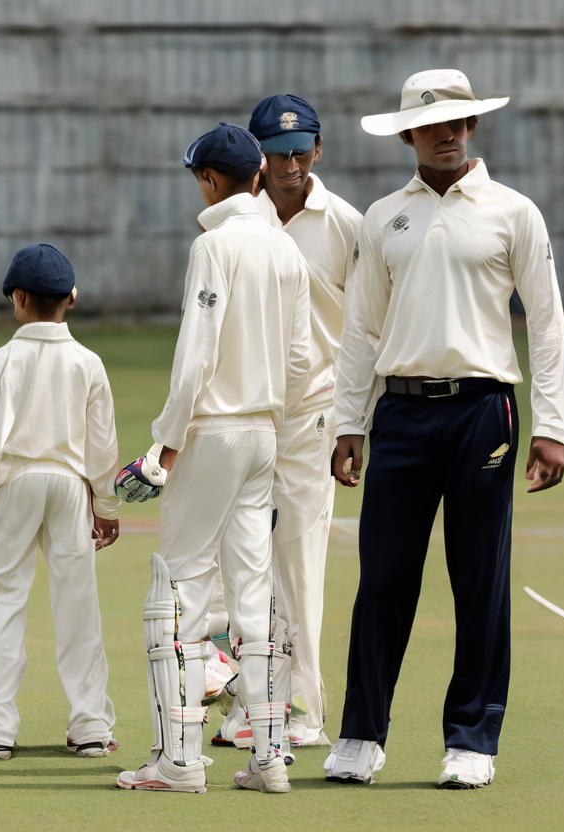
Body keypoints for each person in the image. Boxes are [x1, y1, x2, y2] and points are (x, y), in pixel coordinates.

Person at [325, 69, 564, 789]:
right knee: (383, 579)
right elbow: (361, 330)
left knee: (479, 578)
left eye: (460, 123)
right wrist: (350, 421)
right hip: (400, 413)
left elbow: (548, 325)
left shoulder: (512, 212)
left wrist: (553, 425)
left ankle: (472, 739)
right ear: (407, 133)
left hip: (483, 412)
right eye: (433, 125)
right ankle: (361, 735)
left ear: (473, 127)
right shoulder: (382, 218)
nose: (448, 134)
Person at [115, 123, 311, 794]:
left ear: (206, 179)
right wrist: (270, 420)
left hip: (215, 434)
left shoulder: (214, 245)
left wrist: (162, 450)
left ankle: (179, 761)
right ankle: (268, 758)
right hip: (264, 433)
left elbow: (197, 355)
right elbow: (300, 357)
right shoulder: (284, 248)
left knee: (182, 593)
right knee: (253, 595)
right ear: (258, 173)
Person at [0, 243, 121, 761]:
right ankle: (90, 725)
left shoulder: (2, 362)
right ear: (71, 298)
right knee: (78, 605)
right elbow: (103, 443)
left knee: (1, 601)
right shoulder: (88, 362)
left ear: (18, 298)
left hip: (16, 482)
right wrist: (106, 505)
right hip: (71, 486)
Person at [241, 94, 363, 748]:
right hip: (245, 415)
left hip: (315, 415)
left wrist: (356, 420)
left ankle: (304, 711)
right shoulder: (237, 221)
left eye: (299, 151)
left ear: (319, 149)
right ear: (257, 155)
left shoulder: (345, 223)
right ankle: (248, 705)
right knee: (242, 563)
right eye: (276, 153)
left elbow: (367, 327)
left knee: (299, 564)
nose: (289, 165)